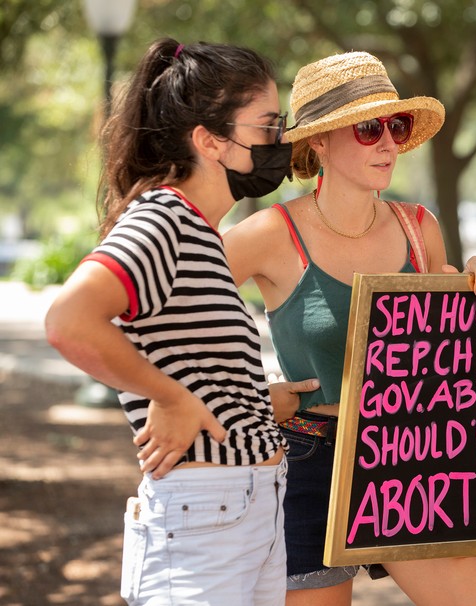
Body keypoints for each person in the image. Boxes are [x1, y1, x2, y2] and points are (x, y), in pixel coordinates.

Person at [224, 51, 476, 605]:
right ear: (319, 142)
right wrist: (247, 400)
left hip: (409, 461)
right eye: (367, 128)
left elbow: (455, 359)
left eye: (396, 125)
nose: (389, 142)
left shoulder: (419, 228)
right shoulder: (269, 234)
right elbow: (166, 313)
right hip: (311, 464)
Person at [44, 38, 300, 605]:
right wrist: (169, 398)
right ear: (210, 140)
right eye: (268, 125)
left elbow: (182, 356)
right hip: (206, 515)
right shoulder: (163, 219)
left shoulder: (200, 232)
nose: (280, 141)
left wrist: (253, 399)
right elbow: (69, 320)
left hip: (243, 510)